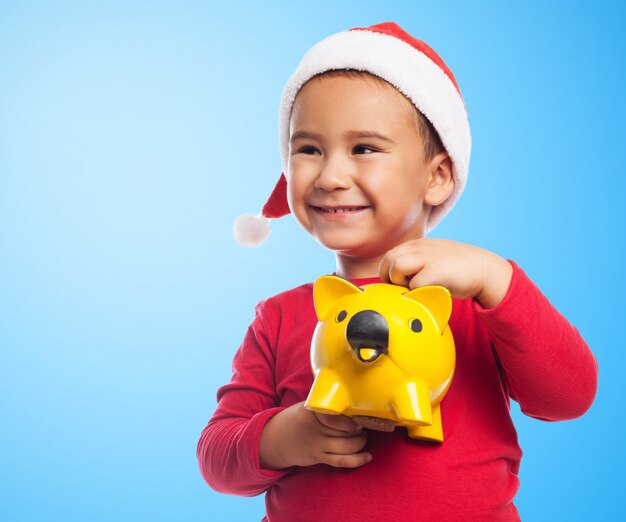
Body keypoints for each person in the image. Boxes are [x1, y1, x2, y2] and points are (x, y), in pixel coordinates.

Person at [197, 22, 598, 521]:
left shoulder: (476, 303)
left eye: (364, 148)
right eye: (308, 149)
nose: (330, 176)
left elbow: (570, 396)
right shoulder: (278, 319)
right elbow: (215, 456)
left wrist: (501, 281)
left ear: (436, 177)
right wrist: (281, 438)